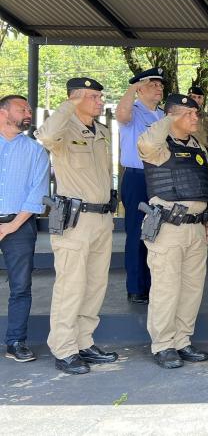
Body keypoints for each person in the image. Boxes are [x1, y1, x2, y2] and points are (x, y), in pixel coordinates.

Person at [36, 78, 119, 375]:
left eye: (99, 96)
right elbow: (44, 136)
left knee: (95, 285)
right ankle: (64, 347)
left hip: (100, 218)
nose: (99, 101)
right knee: (70, 286)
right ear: (76, 98)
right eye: (94, 96)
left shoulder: (102, 131)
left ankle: (84, 341)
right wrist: (68, 105)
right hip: (75, 220)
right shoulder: (63, 130)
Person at [137, 94, 208, 369]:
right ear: (174, 115)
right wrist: (168, 118)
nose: (196, 118)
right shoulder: (158, 147)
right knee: (167, 289)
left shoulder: (196, 145)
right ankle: (163, 345)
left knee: (192, 288)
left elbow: (204, 186)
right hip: (168, 227)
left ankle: (182, 340)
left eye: (196, 113)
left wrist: (207, 222)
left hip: (195, 227)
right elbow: (145, 142)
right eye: (190, 113)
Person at [0, 95, 49, 363]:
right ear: (3, 112)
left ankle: (16, 342)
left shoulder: (35, 150)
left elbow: (38, 193)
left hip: (19, 225)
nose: (28, 112)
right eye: (22, 108)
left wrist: (11, 225)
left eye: (29, 108)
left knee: (20, 286)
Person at [115, 67, 165, 305]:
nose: (159, 88)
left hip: (161, 177)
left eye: (161, 85)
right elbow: (122, 115)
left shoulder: (163, 114)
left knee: (160, 232)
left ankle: (155, 284)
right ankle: (136, 287)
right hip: (137, 177)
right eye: (154, 84)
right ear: (140, 88)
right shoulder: (132, 112)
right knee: (137, 232)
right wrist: (133, 86)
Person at [187, 86, 208, 159]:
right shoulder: (180, 115)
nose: (197, 100)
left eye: (199, 97)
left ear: (203, 99)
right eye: (194, 97)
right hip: (184, 154)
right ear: (188, 98)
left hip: (203, 154)